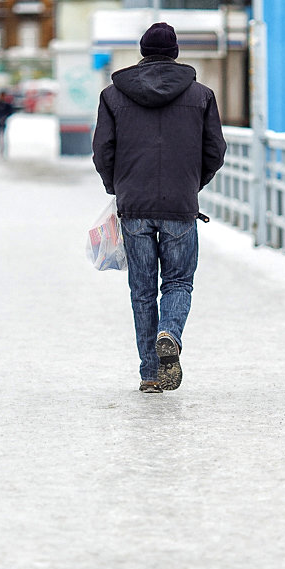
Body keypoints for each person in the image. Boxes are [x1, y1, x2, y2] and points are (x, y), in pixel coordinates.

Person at [93, 22, 227, 394]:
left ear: (142, 51)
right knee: (179, 281)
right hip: (180, 204)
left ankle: (150, 373)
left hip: (133, 206)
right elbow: (215, 150)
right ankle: (169, 333)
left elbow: (102, 150)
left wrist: (116, 187)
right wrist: (191, 183)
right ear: (175, 53)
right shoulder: (201, 95)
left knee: (141, 289)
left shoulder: (112, 95)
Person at [0, 91, 17, 159]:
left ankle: (4, 152)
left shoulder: (6, 105)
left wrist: (4, 117)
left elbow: (10, 112)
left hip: (3, 123)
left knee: (4, 138)